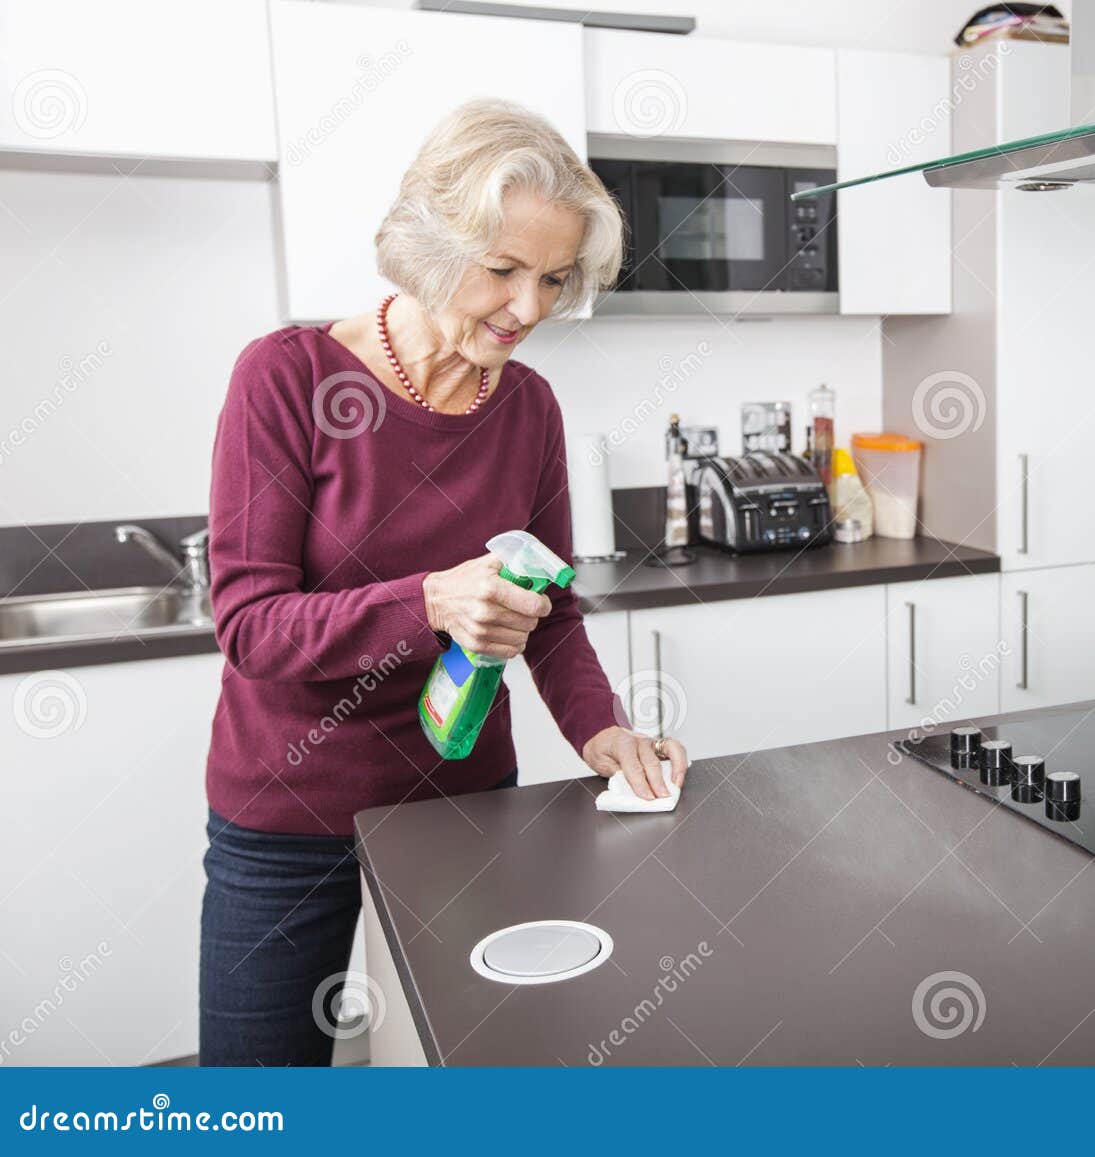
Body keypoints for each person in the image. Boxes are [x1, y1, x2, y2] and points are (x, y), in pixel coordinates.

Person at [198, 99, 689, 1065]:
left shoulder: (529, 409)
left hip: (465, 807)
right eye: (504, 270)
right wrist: (429, 601)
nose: (531, 308)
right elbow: (252, 628)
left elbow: (547, 615)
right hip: (288, 818)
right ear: (428, 245)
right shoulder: (286, 379)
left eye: (554, 278)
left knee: (473, 1073)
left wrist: (604, 731)